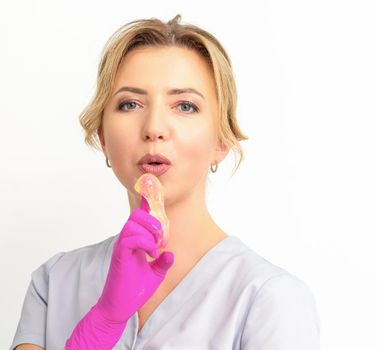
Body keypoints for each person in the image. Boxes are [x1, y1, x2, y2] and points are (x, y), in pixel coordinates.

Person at [10, 14, 321, 350]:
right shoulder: (55, 283)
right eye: (130, 104)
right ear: (103, 137)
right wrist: (103, 323)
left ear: (221, 141)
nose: (154, 127)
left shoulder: (270, 298)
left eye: (185, 106)